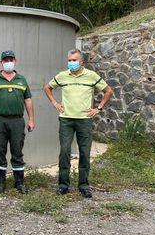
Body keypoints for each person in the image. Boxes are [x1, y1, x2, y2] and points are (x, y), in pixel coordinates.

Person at [43, 49, 113, 198]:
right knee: (65, 151)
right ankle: (63, 185)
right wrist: (55, 103)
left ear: (82, 62)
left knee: (84, 153)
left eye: (74, 60)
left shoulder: (91, 76)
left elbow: (108, 91)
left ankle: (83, 186)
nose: (71, 63)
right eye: (69, 60)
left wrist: (98, 108)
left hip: (84, 120)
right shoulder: (62, 76)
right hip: (66, 119)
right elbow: (47, 88)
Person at [0, 51, 35, 194]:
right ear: (1, 62)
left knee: (17, 151)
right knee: (0, 150)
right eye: (5, 60)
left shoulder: (21, 79)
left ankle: (19, 183)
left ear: (15, 61)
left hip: (17, 120)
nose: (8, 62)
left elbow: (28, 100)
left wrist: (31, 119)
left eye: (10, 59)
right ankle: (1, 182)